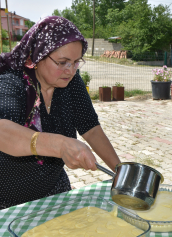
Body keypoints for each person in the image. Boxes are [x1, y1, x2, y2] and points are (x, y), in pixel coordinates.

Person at [0, 16, 120, 210]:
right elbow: (3, 131)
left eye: (76, 62)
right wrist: (59, 145)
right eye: (62, 62)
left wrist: (120, 172)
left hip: (55, 192)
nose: (70, 70)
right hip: (8, 202)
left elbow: (91, 128)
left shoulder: (71, 83)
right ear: (39, 55)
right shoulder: (12, 81)